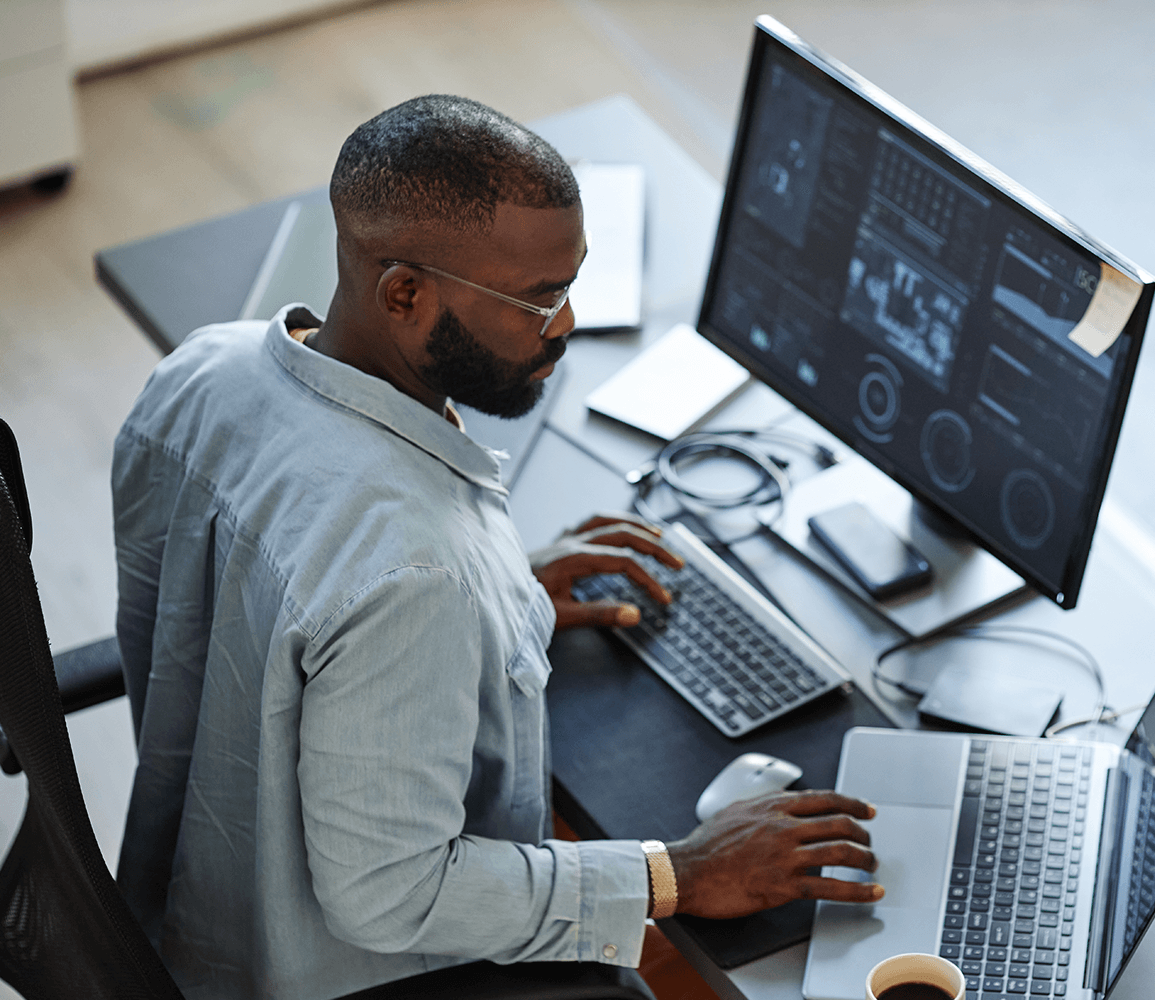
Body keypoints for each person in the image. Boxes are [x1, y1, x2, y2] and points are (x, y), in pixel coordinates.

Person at [111, 94, 883, 1000]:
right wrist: (676, 873)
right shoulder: (415, 573)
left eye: (571, 282)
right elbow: (388, 896)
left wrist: (500, 601)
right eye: (537, 300)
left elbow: (276, 604)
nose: (565, 325)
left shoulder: (203, 369)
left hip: (186, 899)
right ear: (404, 293)